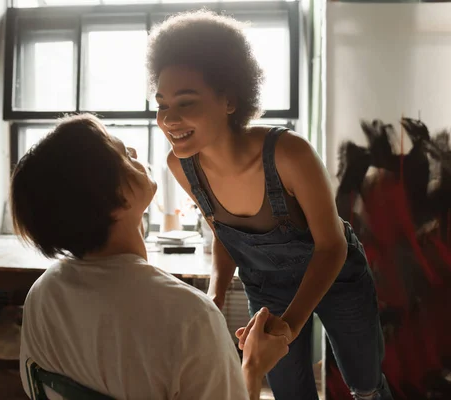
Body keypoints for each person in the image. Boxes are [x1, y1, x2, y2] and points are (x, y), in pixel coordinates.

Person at [146, 10, 393, 400]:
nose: (169, 119)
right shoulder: (181, 165)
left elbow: (332, 247)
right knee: (288, 392)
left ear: (229, 100)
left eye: (186, 103)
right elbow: (221, 234)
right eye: (161, 105)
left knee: (364, 384)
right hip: (266, 287)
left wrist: (290, 326)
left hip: (337, 277)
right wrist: (216, 292)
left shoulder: (290, 155)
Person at [11, 114, 289, 400]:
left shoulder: (42, 295)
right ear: (116, 201)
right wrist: (253, 367)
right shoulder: (190, 317)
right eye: (122, 154)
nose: (134, 153)